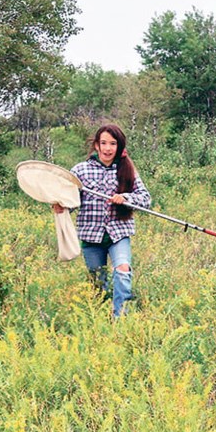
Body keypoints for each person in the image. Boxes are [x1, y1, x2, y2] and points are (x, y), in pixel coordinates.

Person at [53, 124, 152, 318]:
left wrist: (125, 198)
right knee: (97, 283)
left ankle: (120, 318)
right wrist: (62, 206)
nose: (108, 148)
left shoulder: (127, 169)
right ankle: (98, 319)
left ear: (119, 146)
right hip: (91, 234)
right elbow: (72, 200)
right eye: (103, 143)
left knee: (123, 269)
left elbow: (145, 199)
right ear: (96, 146)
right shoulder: (80, 170)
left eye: (113, 144)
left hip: (119, 232)